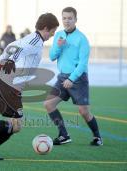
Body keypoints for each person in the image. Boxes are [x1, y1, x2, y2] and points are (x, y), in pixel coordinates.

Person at [0, 13, 59, 160]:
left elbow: (11, 46)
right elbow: (18, 50)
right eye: (53, 31)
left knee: (12, 126)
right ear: (46, 28)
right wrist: (8, 62)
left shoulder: (30, 38)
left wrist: (1, 62)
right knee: (15, 126)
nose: (53, 35)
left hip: (8, 85)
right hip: (10, 86)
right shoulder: (35, 40)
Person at [44, 7, 103, 146]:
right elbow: (52, 56)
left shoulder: (82, 39)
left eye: (70, 18)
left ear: (75, 19)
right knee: (48, 104)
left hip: (78, 78)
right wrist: (59, 46)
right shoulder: (58, 35)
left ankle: (97, 137)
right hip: (62, 77)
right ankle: (64, 135)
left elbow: (83, 64)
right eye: (64, 18)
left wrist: (72, 79)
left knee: (84, 111)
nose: (67, 21)